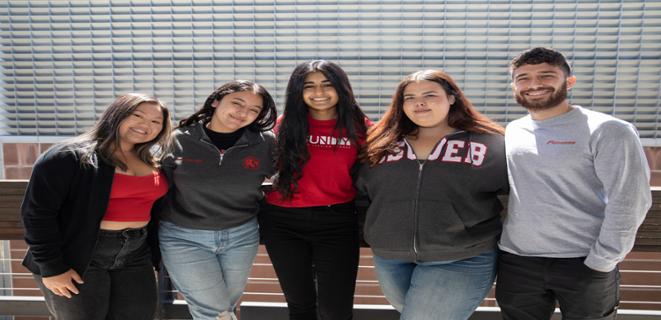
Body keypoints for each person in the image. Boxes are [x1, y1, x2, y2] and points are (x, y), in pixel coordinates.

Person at [496, 47, 652, 320]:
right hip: (518, 260)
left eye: (546, 75)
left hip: (585, 260)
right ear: (514, 85)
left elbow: (629, 199)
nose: (534, 84)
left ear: (569, 82)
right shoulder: (513, 130)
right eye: (523, 78)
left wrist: (603, 260)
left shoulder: (609, 129)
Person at [355, 70, 508, 320]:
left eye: (430, 94)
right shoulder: (380, 143)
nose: (420, 103)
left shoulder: (490, 143)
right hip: (390, 258)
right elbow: (362, 192)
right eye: (410, 97)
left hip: (461, 257)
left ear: (451, 98)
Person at [21, 93, 172, 320]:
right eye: (137, 115)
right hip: (78, 256)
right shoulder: (68, 157)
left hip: (135, 255)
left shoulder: (153, 161)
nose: (146, 125)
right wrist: (52, 268)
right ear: (116, 115)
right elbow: (37, 215)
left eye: (155, 122)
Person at [259, 60, 369, 320]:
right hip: (282, 222)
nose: (319, 93)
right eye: (309, 86)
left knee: (336, 310)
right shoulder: (284, 125)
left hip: (337, 221)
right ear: (298, 91)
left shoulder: (360, 127)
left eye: (327, 85)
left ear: (342, 88)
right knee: (300, 305)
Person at [157, 80, 277, 320]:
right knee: (214, 311)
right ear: (216, 101)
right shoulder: (178, 139)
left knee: (225, 308)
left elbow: (290, 177)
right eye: (237, 103)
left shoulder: (265, 142)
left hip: (241, 237)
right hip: (183, 237)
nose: (243, 113)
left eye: (253, 110)